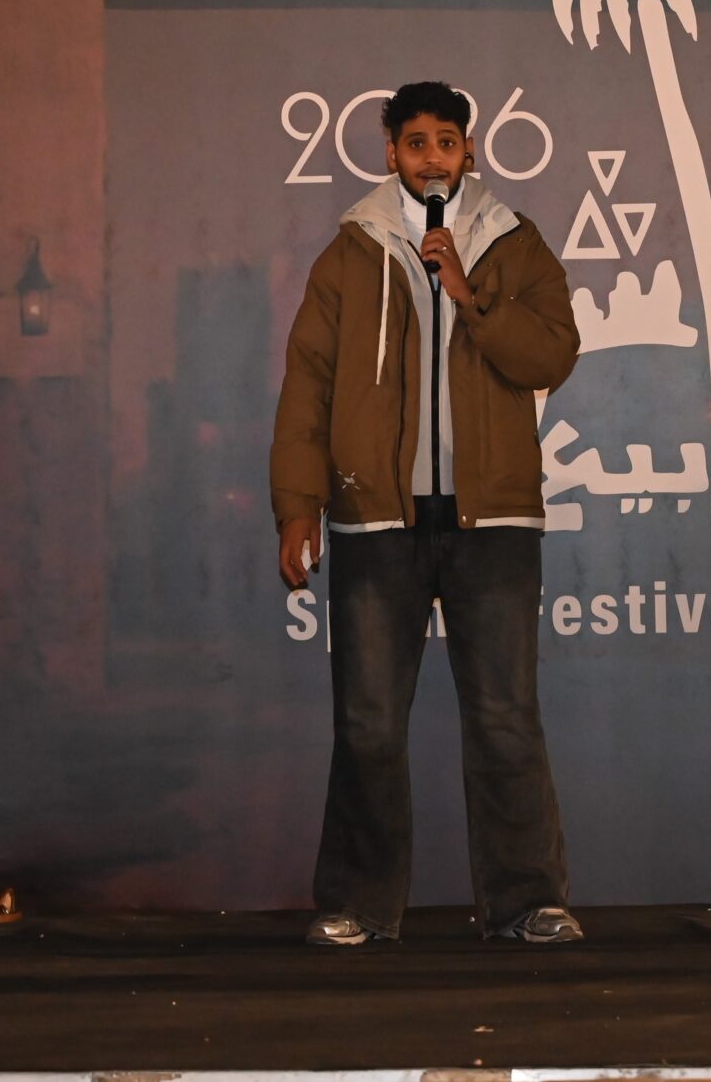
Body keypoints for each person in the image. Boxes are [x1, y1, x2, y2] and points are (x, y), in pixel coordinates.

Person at [271, 81, 584, 946]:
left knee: (505, 717)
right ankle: (359, 904)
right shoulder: (351, 252)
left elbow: (553, 353)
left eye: (447, 141)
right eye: (416, 143)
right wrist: (297, 504)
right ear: (392, 153)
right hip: (377, 521)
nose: (432, 157)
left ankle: (528, 901)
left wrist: (471, 293)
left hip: (494, 522)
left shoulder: (512, 243)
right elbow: (307, 387)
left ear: (469, 151)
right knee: (368, 722)